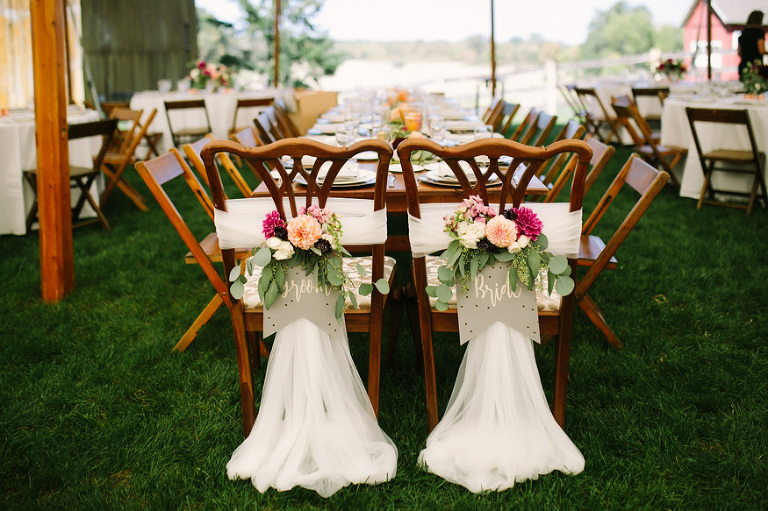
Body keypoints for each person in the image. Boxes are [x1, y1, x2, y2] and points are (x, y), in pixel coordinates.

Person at [738, 10, 766, 78]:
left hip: (744, 66)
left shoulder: (743, 33)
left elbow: (739, 53)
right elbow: (761, 50)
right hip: (756, 66)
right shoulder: (759, 32)